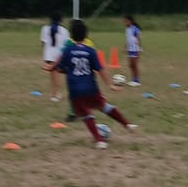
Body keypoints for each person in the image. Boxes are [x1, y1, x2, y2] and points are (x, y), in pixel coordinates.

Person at [50, 20, 137, 148]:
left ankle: (99, 140)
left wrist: (52, 68)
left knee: (86, 114)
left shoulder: (68, 50)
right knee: (104, 106)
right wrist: (109, 85)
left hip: (75, 89)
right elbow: (100, 69)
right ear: (86, 35)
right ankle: (127, 124)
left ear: (71, 35)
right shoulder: (90, 51)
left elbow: (58, 68)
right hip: (91, 87)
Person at [40, 12, 69, 101]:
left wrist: (45, 54)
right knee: (56, 75)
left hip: (49, 56)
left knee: (54, 76)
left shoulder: (45, 29)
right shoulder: (64, 31)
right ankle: (55, 94)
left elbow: (43, 43)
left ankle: (55, 94)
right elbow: (66, 45)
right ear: (61, 20)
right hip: (59, 56)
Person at [124, 14, 142, 85]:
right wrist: (126, 45)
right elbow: (128, 38)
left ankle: (137, 81)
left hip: (135, 49)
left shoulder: (135, 28)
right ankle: (133, 79)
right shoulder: (127, 29)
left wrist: (139, 49)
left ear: (130, 21)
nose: (125, 23)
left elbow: (138, 39)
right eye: (124, 21)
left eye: (126, 21)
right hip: (130, 49)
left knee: (134, 65)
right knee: (131, 65)